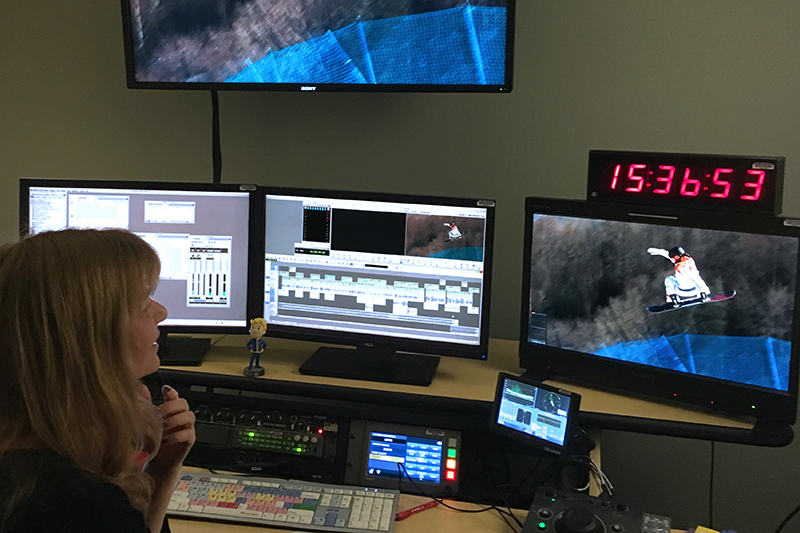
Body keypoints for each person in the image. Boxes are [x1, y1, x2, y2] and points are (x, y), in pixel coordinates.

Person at [0, 228, 196, 533]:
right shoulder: (78, 507)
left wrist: (160, 473)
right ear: (93, 338)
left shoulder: (28, 455)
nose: (161, 312)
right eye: (144, 303)